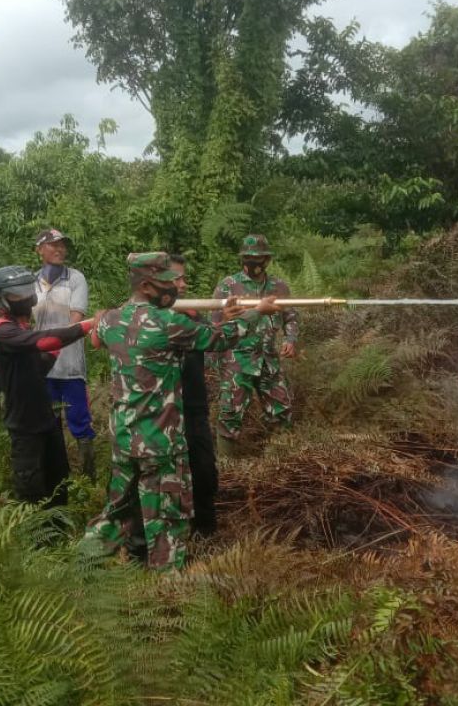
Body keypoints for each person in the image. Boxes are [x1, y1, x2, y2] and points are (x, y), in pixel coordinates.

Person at [82, 252, 278, 571]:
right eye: (166, 283)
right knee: (166, 520)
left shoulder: (110, 320)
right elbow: (223, 338)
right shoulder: (169, 323)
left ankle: (81, 565)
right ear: (146, 285)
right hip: (159, 444)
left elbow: (96, 337)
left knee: (116, 512)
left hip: (124, 439)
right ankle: (166, 594)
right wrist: (257, 312)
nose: (173, 289)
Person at [0, 265, 96, 506]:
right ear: (2, 299)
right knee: (32, 490)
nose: (25, 299)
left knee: (58, 482)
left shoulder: (23, 329)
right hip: (24, 426)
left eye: (28, 292)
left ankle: (59, 537)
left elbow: (42, 359)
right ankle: (37, 542)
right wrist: (87, 326)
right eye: (18, 295)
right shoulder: (2, 329)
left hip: (46, 419)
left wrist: (55, 347)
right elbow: (45, 341)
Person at [212, 234, 299, 456]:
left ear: (267, 260)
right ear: (242, 260)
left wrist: (290, 339)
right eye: (248, 259)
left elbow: (291, 316)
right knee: (231, 413)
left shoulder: (278, 286)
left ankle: (279, 462)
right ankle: (227, 467)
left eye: (258, 258)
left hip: (268, 359)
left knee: (281, 409)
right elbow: (215, 324)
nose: (253, 264)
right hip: (237, 361)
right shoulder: (228, 286)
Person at [32, 228, 97, 478]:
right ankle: (57, 475)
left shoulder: (75, 278)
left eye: (62, 245)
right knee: (48, 422)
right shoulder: (31, 282)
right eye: (53, 245)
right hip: (42, 367)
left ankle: (89, 479)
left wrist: (53, 342)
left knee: (80, 423)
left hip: (70, 366)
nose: (59, 249)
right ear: (40, 250)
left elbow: (76, 319)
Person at [167, 254, 218, 537]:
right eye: (178, 278)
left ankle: (206, 530)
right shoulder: (154, 318)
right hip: (164, 411)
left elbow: (213, 335)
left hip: (195, 406)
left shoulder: (193, 315)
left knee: (203, 468)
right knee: (167, 476)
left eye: (185, 278)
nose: (184, 284)